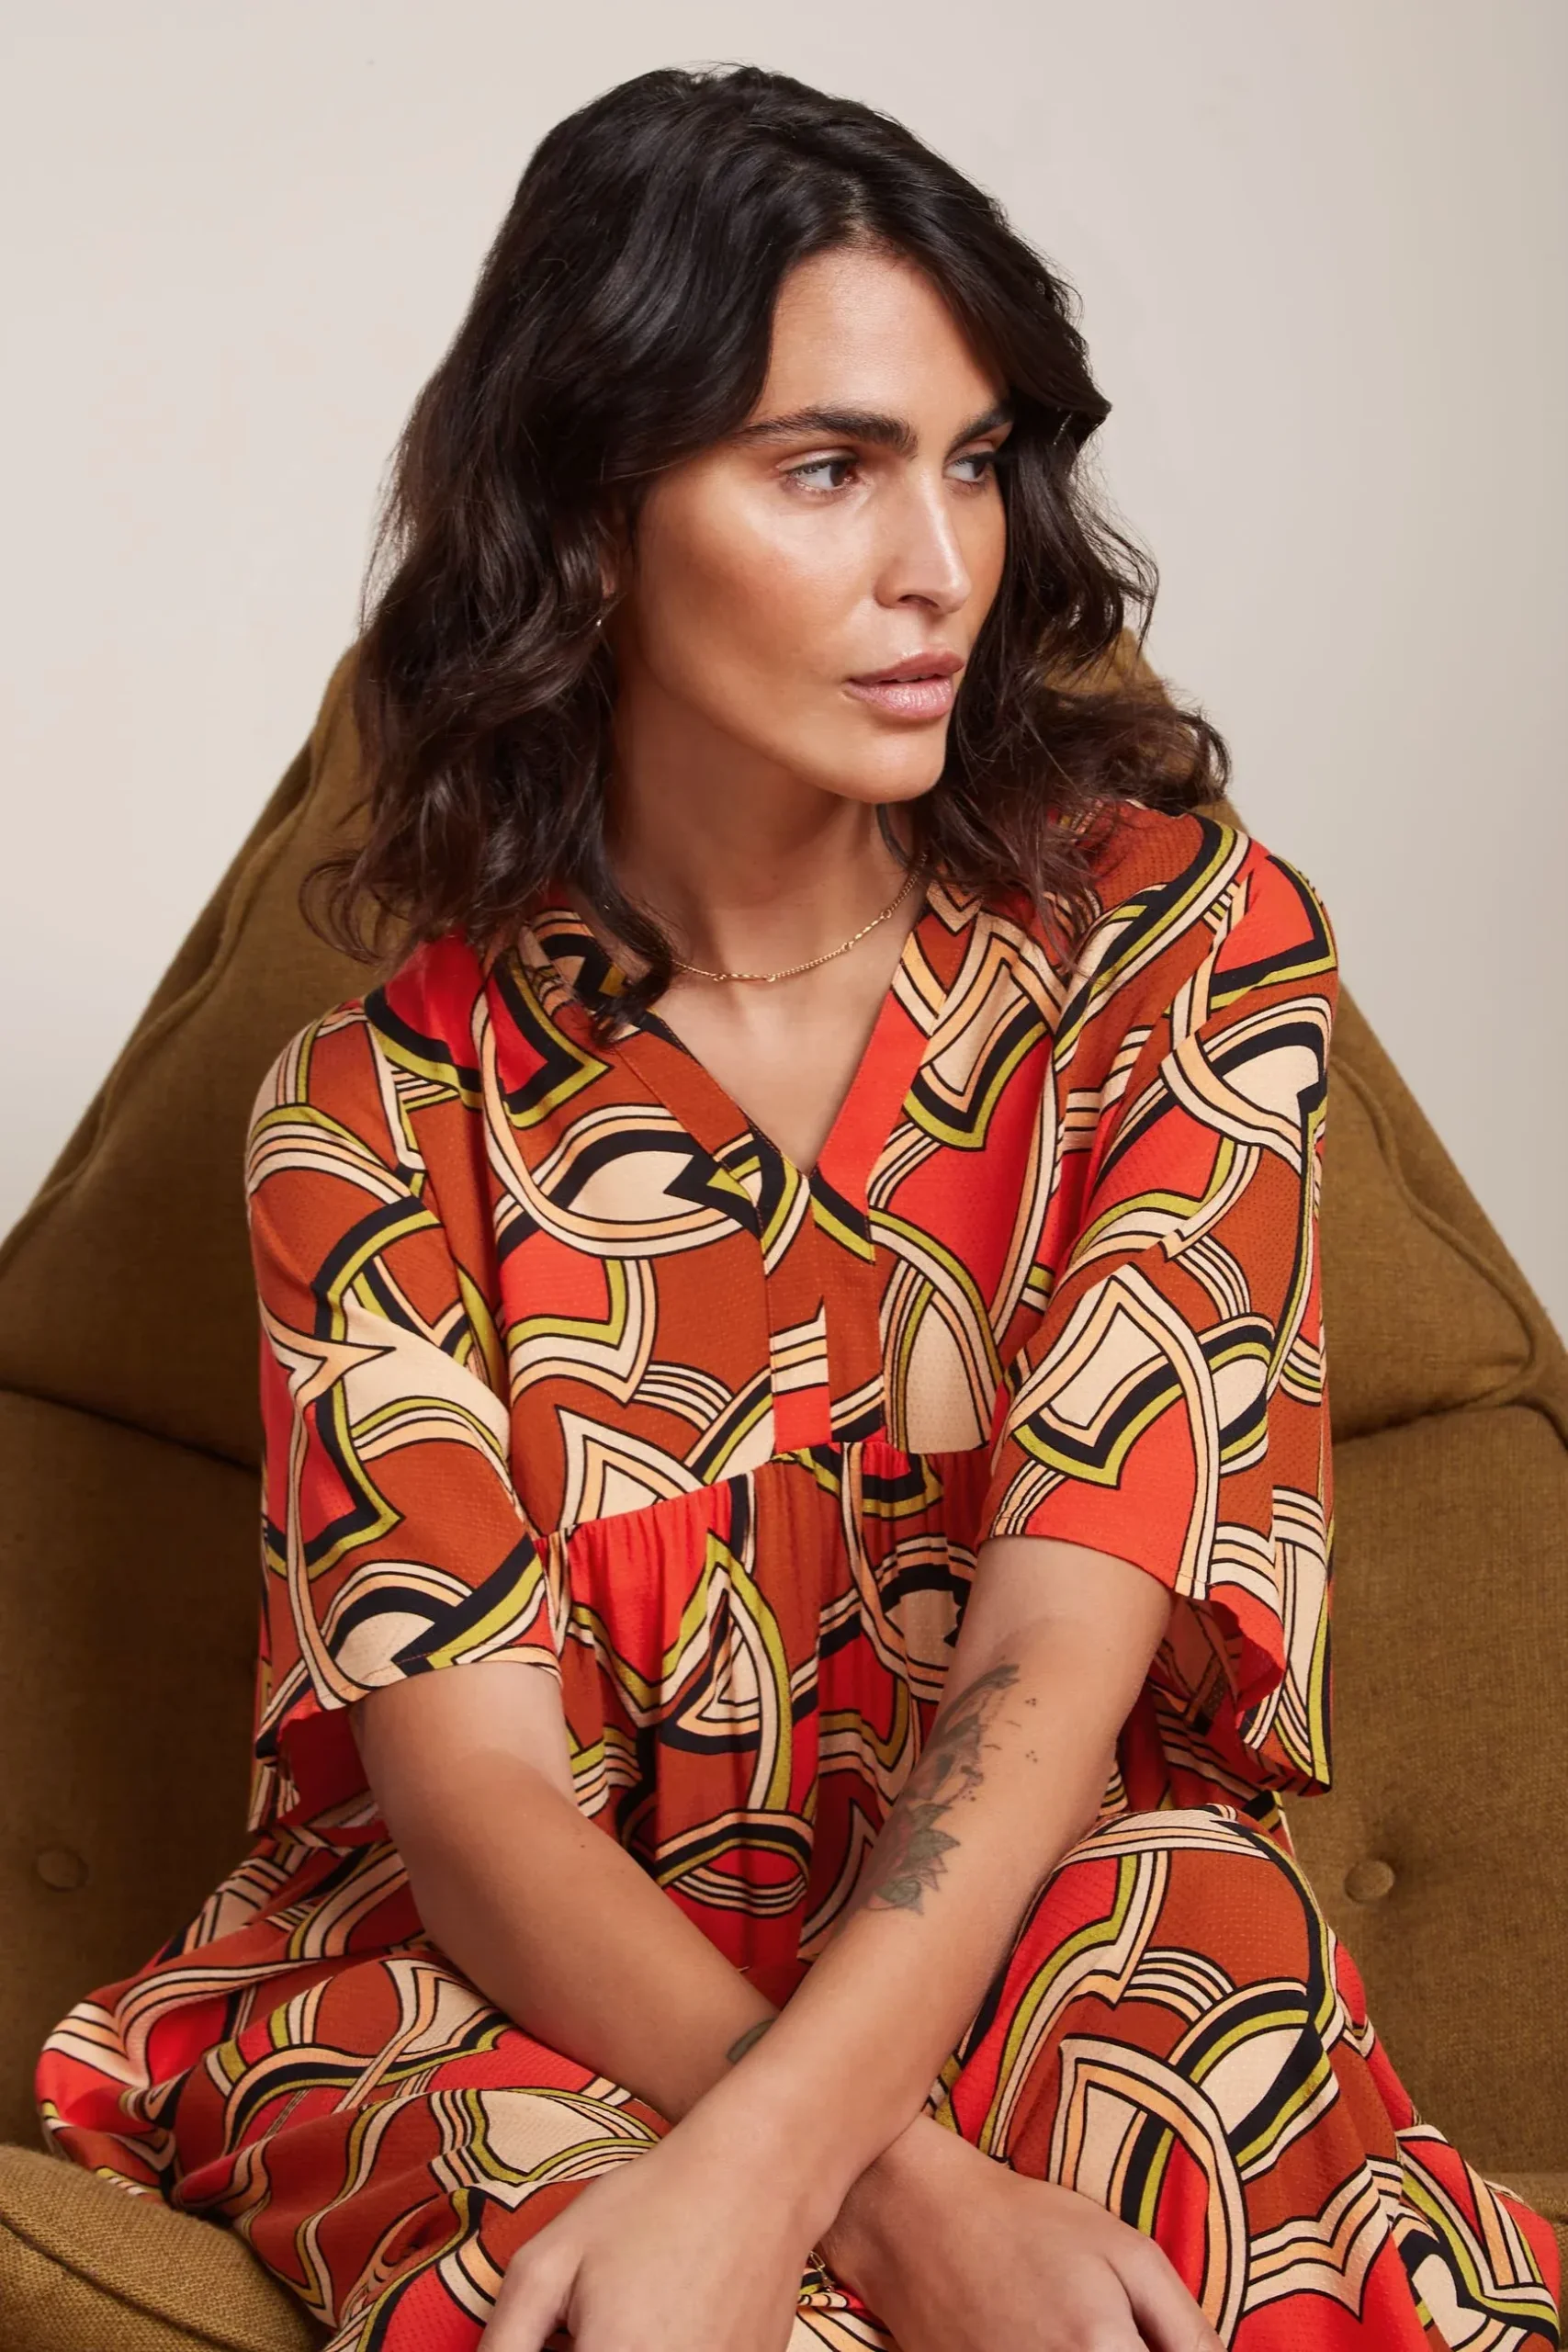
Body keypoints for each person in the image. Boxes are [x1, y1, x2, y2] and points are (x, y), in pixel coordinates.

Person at [35, 62, 1560, 2352]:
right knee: (586, 2271)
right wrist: (892, 2196)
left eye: (973, 459)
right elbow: (473, 1802)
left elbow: (1063, 1641)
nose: (941, 561)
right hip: (518, 1983)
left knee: (1192, 2008)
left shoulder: (1174, 949)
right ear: (591, 512)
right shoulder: (370, 1111)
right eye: (828, 467)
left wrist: (780, 2164)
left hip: (1035, 1916)